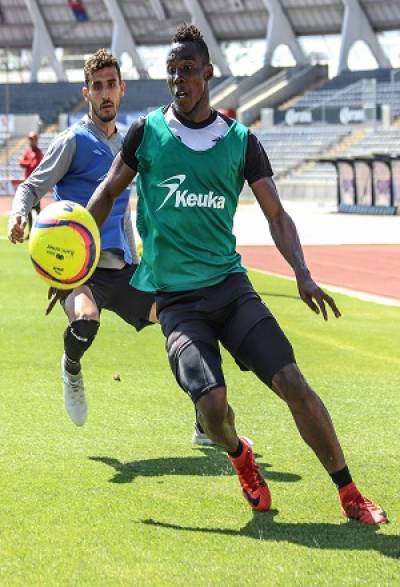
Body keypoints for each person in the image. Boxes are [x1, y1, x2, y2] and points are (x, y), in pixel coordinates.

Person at [86, 25, 387, 525]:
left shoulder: (241, 141)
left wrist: (303, 273)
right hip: (178, 303)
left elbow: (277, 215)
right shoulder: (146, 134)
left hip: (231, 291)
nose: (178, 80)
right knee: (212, 409)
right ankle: (240, 455)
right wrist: (75, 258)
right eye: (171, 72)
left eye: (187, 70)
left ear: (208, 73)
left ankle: (350, 492)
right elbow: (105, 195)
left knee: (294, 384)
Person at [8, 48, 219, 447]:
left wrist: (143, 262)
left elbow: (126, 210)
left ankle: (204, 423)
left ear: (121, 90)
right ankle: (71, 368)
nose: (105, 93)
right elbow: (32, 186)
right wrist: (19, 215)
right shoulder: (72, 142)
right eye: (97, 86)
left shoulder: (132, 143)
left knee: (185, 324)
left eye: (111, 85)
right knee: (86, 321)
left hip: (123, 268)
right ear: (86, 93)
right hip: (78, 270)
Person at [18, 131, 44, 237]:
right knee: (28, 211)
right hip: (28, 184)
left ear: (36, 140)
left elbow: (39, 165)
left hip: (36, 185)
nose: (31, 141)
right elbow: (21, 163)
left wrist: (31, 164)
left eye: (33, 139)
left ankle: (39, 231)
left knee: (37, 210)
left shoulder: (39, 152)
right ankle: (30, 232)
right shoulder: (27, 152)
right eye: (30, 139)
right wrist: (29, 163)